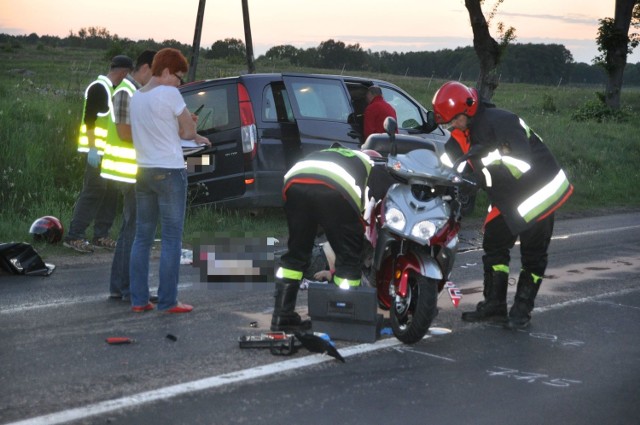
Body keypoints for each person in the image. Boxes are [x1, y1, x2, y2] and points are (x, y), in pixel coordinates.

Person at [432, 81, 574, 330]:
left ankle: (522, 309)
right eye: (447, 123)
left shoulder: (501, 121)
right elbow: (447, 163)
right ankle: (494, 305)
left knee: (533, 255)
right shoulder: (461, 132)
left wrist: (478, 179)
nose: (451, 126)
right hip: (507, 194)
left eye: (454, 120)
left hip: (538, 190)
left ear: (468, 109)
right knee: (494, 243)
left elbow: (520, 165)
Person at [271, 146, 391, 332]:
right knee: (349, 260)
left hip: (294, 183)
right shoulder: (373, 164)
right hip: (333, 189)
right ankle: (341, 319)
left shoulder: (335, 153)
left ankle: (282, 317)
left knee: (296, 254)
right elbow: (384, 202)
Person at [128, 48, 210, 313]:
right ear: (164, 72)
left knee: (142, 237)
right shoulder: (170, 93)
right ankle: (168, 301)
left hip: (143, 172)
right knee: (172, 239)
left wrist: (182, 127)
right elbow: (187, 130)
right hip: (170, 172)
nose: (179, 82)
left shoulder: (136, 97)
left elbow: (159, 127)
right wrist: (192, 129)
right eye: (178, 76)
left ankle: (139, 300)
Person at [101, 50, 157, 301]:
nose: (154, 80)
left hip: (135, 168)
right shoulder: (126, 91)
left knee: (131, 230)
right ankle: (127, 289)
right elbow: (124, 132)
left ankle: (121, 288)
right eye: (154, 74)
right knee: (133, 231)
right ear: (145, 67)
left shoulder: (135, 92)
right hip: (129, 169)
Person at [63, 55, 134, 253]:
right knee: (93, 191)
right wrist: (93, 148)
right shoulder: (99, 88)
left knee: (110, 192)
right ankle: (74, 236)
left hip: (108, 154)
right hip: (97, 152)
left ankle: (101, 235)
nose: (127, 78)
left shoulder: (113, 89)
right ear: (123, 72)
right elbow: (89, 121)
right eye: (127, 74)